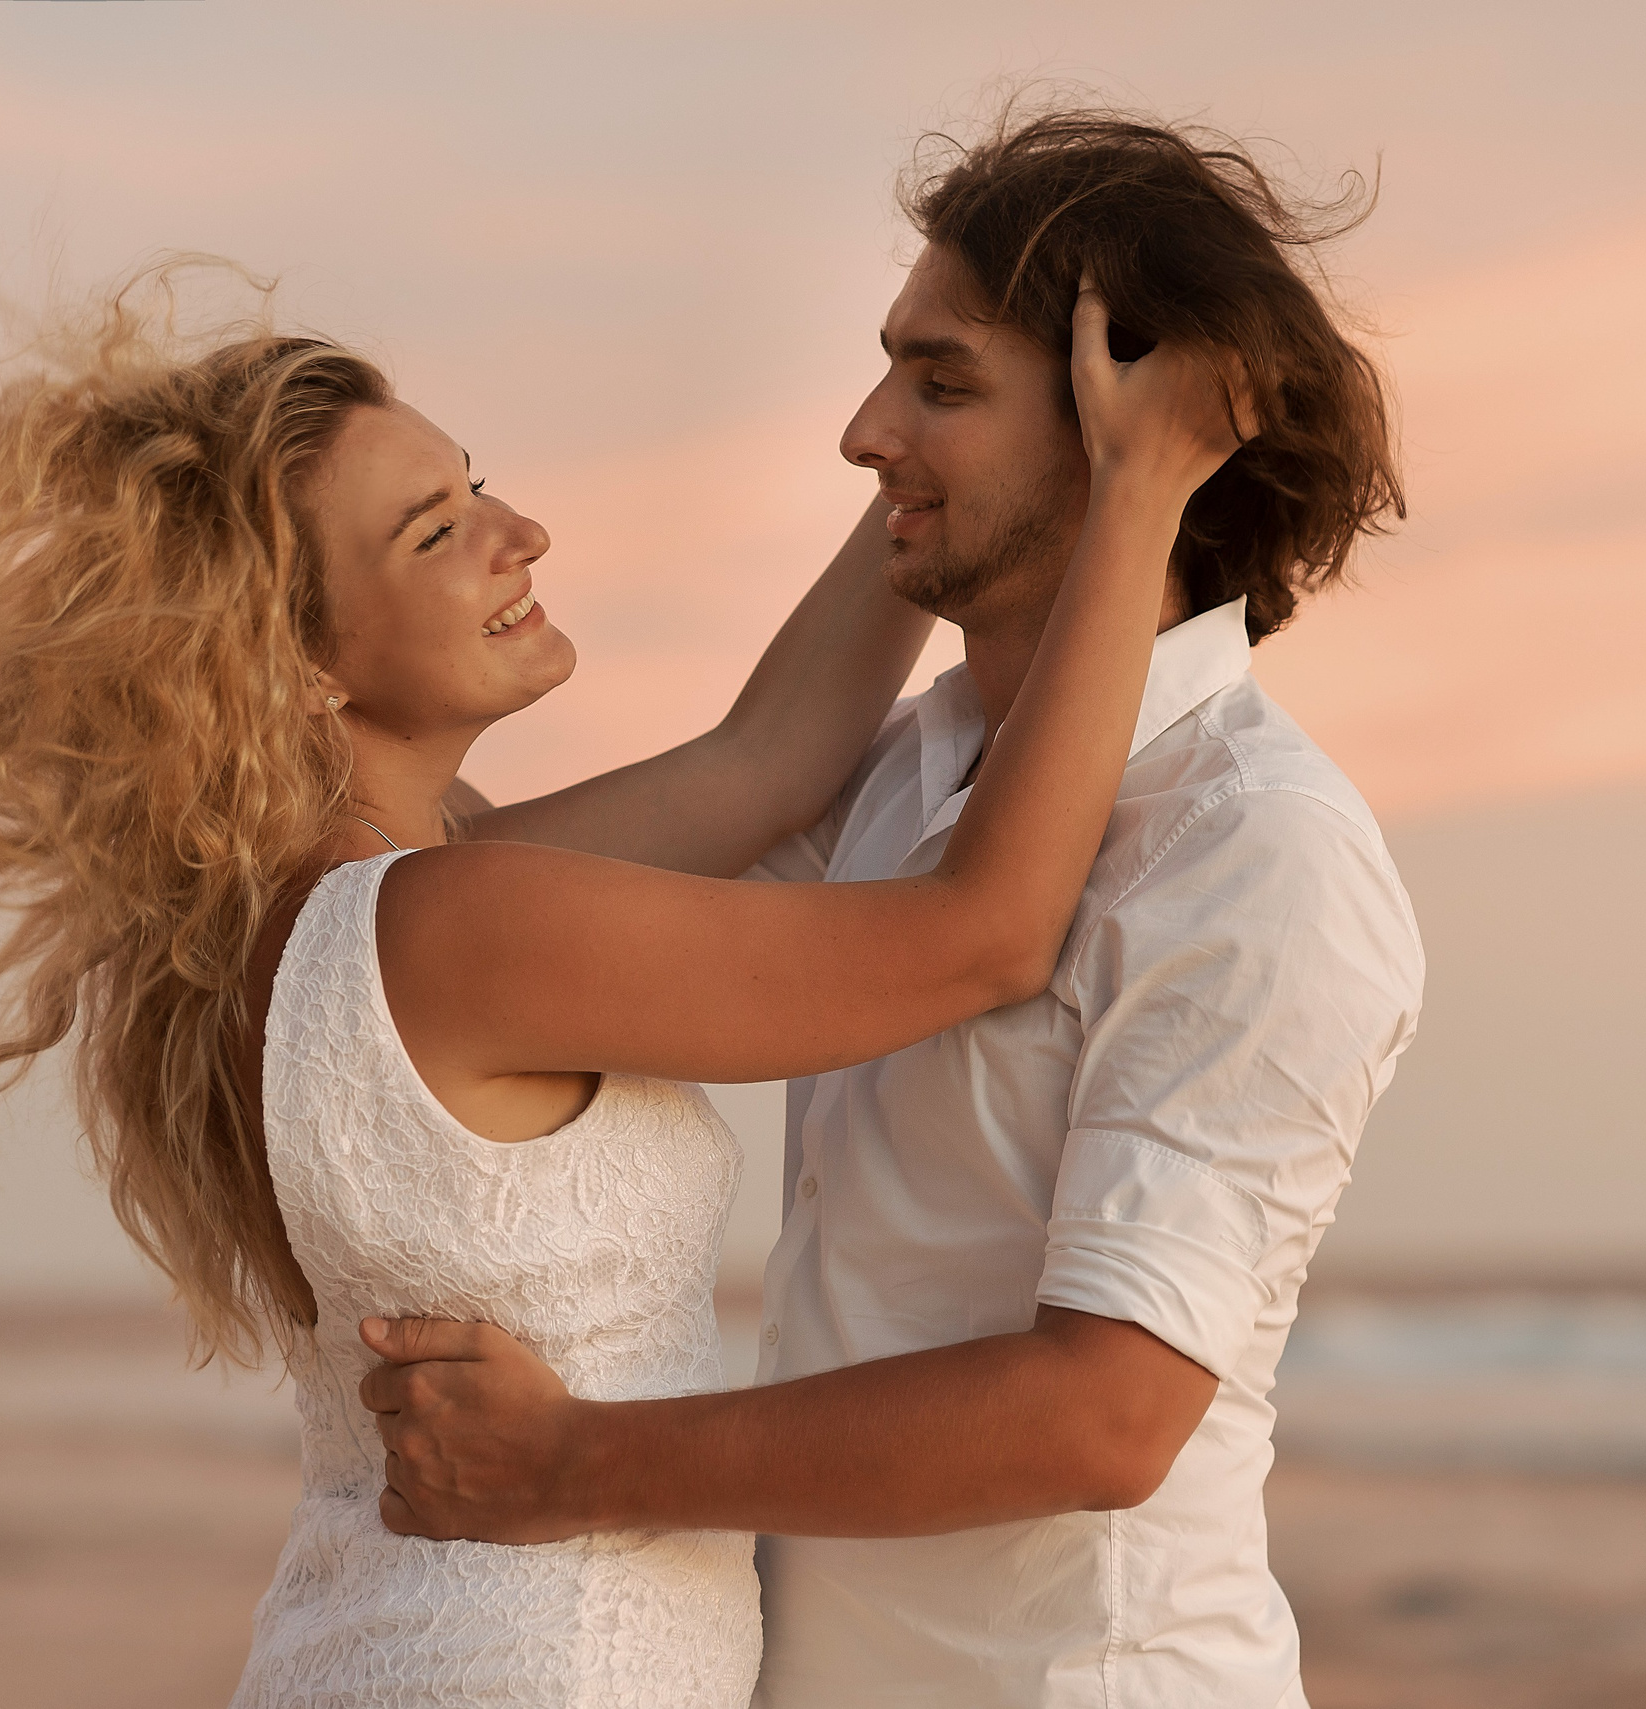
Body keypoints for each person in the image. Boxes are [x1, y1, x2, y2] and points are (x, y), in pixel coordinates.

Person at [0, 256, 1252, 1707]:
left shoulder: (321, 910)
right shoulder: (462, 923)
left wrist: (941, 469)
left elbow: (763, 760)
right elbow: (985, 929)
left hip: (383, 1641)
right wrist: (1137, 493)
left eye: (479, 484)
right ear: (299, 662)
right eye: (440, 531)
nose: (522, 532)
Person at [357, 108, 1423, 1707]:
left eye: (941, 382)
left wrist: (576, 1464)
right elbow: (491, 910)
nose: (863, 434)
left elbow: (1105, 1414)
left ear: (1136, 430)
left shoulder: (1261, 851)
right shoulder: (899, 774)